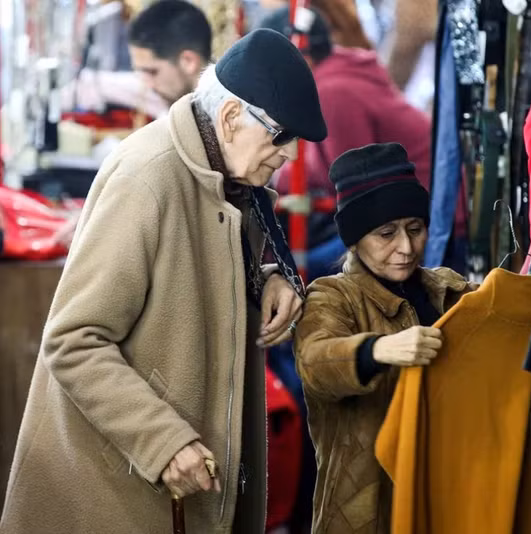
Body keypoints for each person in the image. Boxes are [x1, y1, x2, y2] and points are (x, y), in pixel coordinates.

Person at [0, 29, 326, 533]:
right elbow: (74, 340)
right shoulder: (148, 179)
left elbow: (194, 280)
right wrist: (162, 440)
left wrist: (267, 281)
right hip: (116, 495)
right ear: (232, 116)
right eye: (281, 136)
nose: (288, 154)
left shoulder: (228, 177)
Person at [294, 143, 474, 533]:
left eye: (415, 229)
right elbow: (315, 363)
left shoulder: (448, 290)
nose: (406, 248)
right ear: (355, 239)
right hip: (365, 512)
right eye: (386, 234)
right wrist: (378, 349)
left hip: (444, 498)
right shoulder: (331, 297)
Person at [260, 7, 432, 280]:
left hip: (416, 220)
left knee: (291, 272)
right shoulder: (338, 72)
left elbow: (351, 184)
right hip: (399, 211)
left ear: (299, 57)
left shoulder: (334, 91)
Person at [63, 0, 212, 118]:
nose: (146, 84)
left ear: (188, 62)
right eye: (141, 72)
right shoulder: (179, 105)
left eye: (152, 72)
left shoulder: (222, 120)